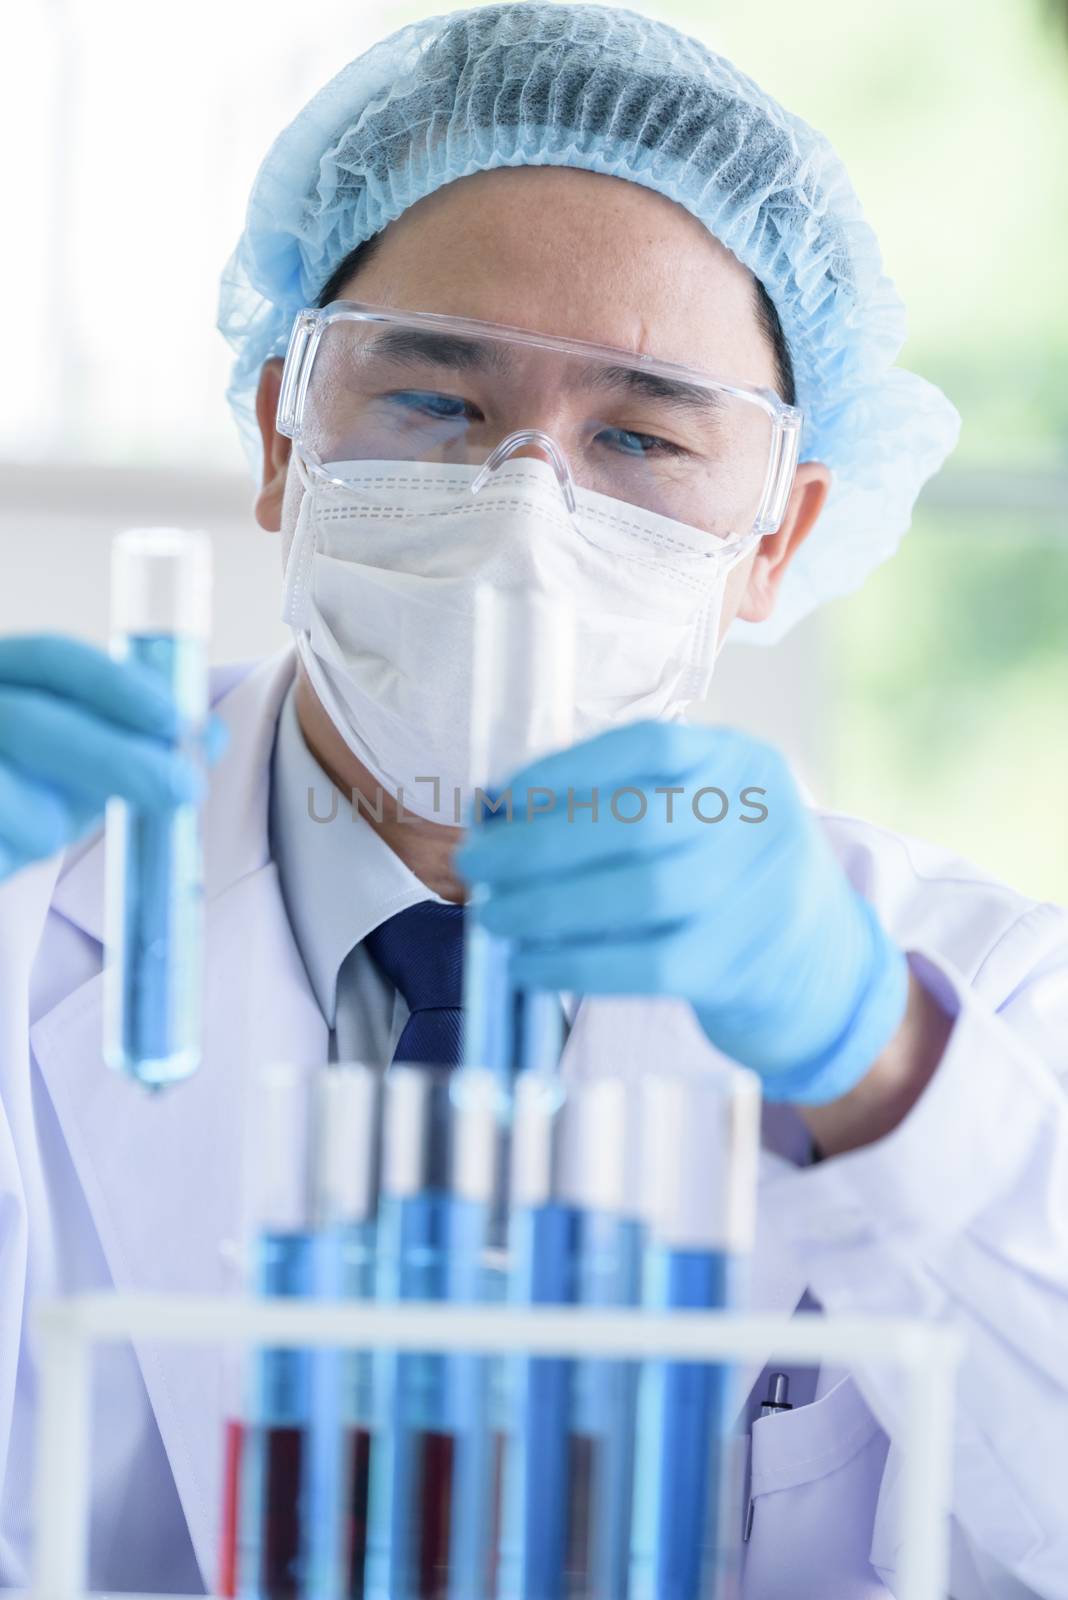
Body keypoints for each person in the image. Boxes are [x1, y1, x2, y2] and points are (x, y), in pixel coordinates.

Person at [0, 5, 1065, 1596]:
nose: (524, 505)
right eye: (436, 403)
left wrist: (886, 1076)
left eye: (638, 434)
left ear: (777, 534)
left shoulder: (968, 1004)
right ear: (287, 432)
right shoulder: (32, 903)